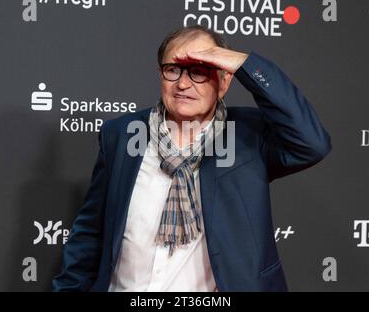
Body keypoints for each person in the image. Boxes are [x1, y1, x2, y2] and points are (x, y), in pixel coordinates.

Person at [52, 25, 331, 292]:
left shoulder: (249, 136)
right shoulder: (122, 135)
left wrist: (244, 63)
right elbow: (91, 232)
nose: (183, 84)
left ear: (223, 82)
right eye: (173, 70)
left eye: (199, 71)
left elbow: (312, 143)